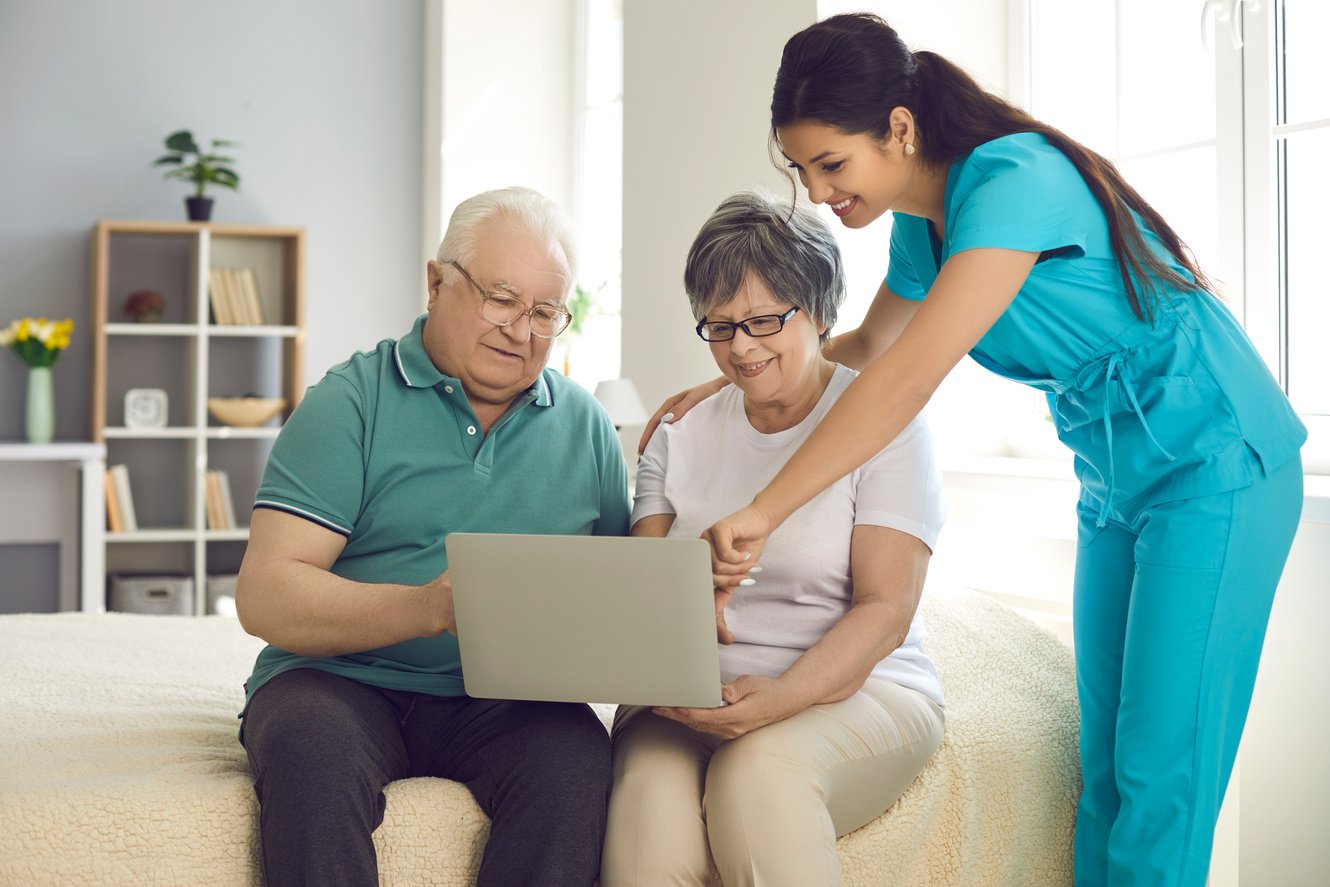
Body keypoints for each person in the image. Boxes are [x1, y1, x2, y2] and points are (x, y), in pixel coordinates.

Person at [645, 14, 1305, 887]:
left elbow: (907, 380)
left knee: (1162, 778)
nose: (817, 193)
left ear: (900, 128)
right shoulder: (924, 227)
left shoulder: (1012, 178)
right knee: (1103, 765)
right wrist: (733, 380)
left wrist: (766, 509)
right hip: (1114, 478)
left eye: (831, 165)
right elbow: (868, 349)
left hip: (1217, 462)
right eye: (800, 171)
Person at [234, 186, 630, 887]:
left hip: (510, 699)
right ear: (436, 281)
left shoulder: (586, 426)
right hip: (339, 679)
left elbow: (616, 604)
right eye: (501, 299)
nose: (521, 329)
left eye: (545, 312)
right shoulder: (351, 399)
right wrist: (429, 609)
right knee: (310, 747)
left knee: (574, 761)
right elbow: (266, 594)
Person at [602, 190, 946, 887]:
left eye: (763, 321)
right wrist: (691, 592)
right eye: (720, 327)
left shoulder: (885, 425)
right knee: (649, 828)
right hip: (684, 698)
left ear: (820, 310)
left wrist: (780, 699)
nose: (742, 348)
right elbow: (642, 604)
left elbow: (886, 610)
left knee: (754, 776)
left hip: (858, 686)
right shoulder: (677, 433)